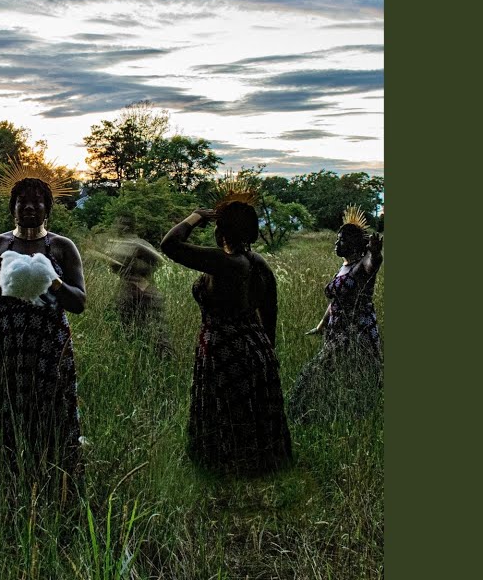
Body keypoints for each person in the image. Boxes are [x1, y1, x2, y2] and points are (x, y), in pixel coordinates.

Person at [0, 161, 86, 501]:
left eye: (38, 201)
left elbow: (79, 302)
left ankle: (53, 489)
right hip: (4, 344)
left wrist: (53, 280)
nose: (30, 206)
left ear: (48, 208)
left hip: (49, 346)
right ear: (13, 207)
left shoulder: (62, 247)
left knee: (51, 413)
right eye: (23, 201)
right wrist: (0, 290)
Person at [161, 181, 293, 476]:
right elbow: (269, 312)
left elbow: (169, 245)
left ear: (221, 231)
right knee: (248, 408)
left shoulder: (225, 262)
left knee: (229, 410)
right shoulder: (258, 262)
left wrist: (195, 217)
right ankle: (256, 465)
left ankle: (229, 467)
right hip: (255, 346)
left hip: (225, 348)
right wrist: (268, 353)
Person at [288, 206, 384, 423]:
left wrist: (376, 253)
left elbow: (373, 264)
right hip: (338, 331)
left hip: (357, 332)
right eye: (337, 239)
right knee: (328, 376)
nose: (336, 244)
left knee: (355, 376)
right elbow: (336, 302)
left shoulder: (361, 265)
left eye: (341, 240)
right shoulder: (344, 267)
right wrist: (321, 326)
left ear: (353, 244)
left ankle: (356, 419)